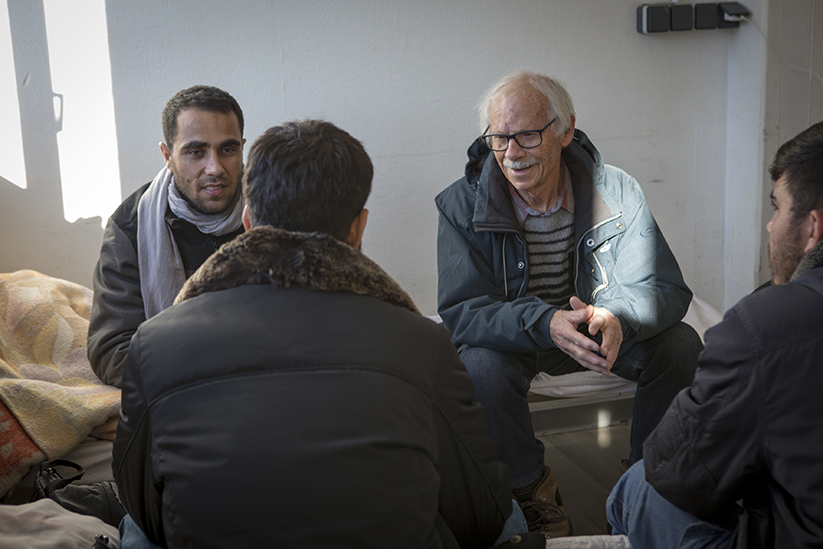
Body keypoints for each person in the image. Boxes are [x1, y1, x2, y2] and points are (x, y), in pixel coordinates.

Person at [112, 120, 530, 548]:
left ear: (249, 222)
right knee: (510, 513)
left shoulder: (153, 343)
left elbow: (143, 503)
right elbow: (482, 512)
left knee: (134, 529)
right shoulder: (422, 342)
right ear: (358, 228)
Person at [435, 69, 702, 537]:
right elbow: (463, 311)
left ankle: (649, 483)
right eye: (499, 138)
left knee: (680, 345)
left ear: (565, 130)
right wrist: (545, 321)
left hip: (600, 334)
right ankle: (531, 491)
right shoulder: (461, 204)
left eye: (527, 136)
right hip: (523, 338)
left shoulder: (616, 191)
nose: (511, 154)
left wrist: (618, 314)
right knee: (479, 365)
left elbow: (666, 287)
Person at [607, 121, 823, 548]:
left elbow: (680, 475)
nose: (769, 226)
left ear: (813, 227)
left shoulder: (766, 323)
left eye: (776, 208)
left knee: (638, 488)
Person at [87, 85, 246, 387]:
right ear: (167, 156)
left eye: (228, 149)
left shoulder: (274, 208)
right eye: (195, 152)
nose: (214, 168)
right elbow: (112, 352)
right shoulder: (129, 228)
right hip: (193, 388)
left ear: (242, 147)